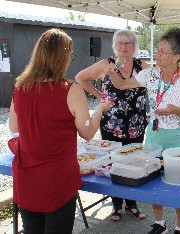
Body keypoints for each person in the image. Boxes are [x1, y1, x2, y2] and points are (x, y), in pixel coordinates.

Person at [8, 28, 111, 233]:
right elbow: (87, 133)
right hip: (57, 180)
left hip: (27, 178)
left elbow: (14, 127)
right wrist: (100, 109)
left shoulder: (21, 87)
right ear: (62, 57)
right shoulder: (70, 90)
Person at [117, 27, 180, 234]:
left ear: (176, 57)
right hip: (154, 134)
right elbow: (122, 84)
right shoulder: (151, 74)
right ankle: (159, 224)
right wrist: (111, 73)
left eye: (163, 51)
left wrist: (175, 110)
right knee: (153, 180)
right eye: (157, 49)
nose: (157, 54)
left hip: (178, 136)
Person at [75, 29, 149, 222]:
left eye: (128, 43)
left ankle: (132, 203)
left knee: (133, 162)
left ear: (135, 46)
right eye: (120, 43)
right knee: (113, 163)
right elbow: (80, 77)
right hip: (111, 124)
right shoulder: (106, 64)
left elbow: (155, 86)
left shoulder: (143, 66)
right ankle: (116, 205)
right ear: (115, 46)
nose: (124, 47)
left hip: (136, 124)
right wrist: (99, 97)